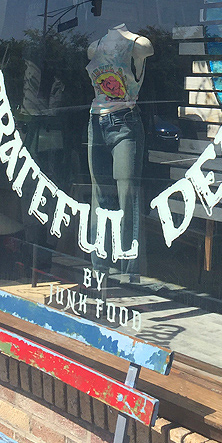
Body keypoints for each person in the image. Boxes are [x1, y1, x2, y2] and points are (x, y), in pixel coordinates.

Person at [86, 24, 153, 275]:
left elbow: (147, 50)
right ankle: (98, 270)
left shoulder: (138, 44)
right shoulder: (94, 47)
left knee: (128, 198)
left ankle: (129, 274)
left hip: (125, 120)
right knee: (99, 196)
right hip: (96, 121)